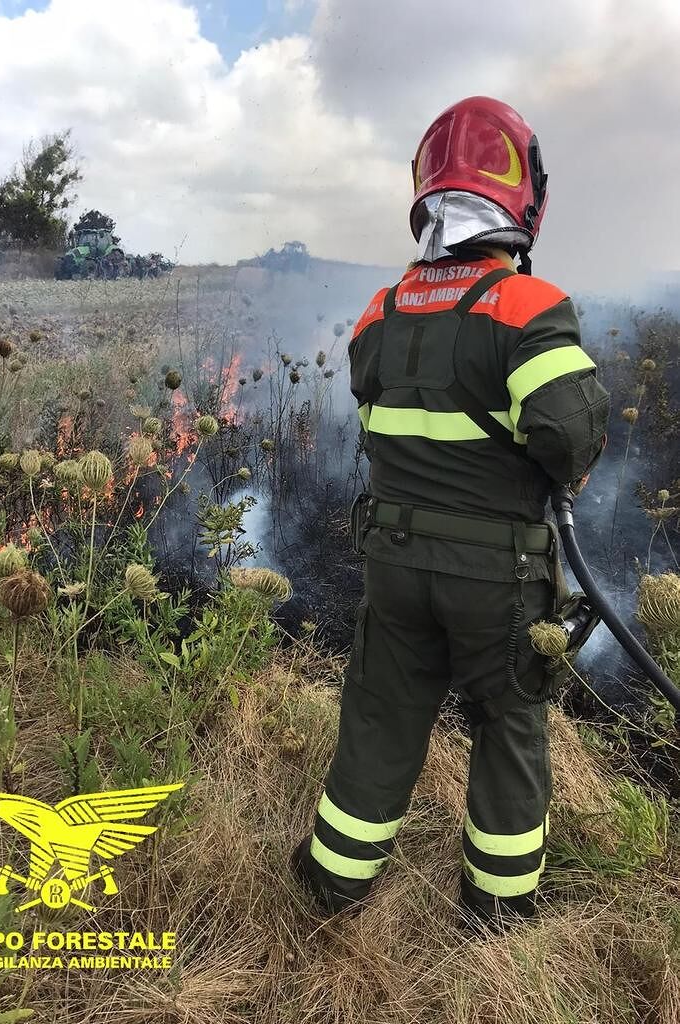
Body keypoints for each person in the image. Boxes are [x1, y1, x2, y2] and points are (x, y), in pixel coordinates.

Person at [290, 96, 610, 930]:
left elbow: (378, 419)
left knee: (380, 716)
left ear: (425, 193)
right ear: (522, 196)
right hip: (496, 575)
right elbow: (568, 435)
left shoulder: (382, 311)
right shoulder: (526, 305)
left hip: (394, 562)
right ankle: (497, 908)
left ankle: (332, 882)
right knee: (507, 723)